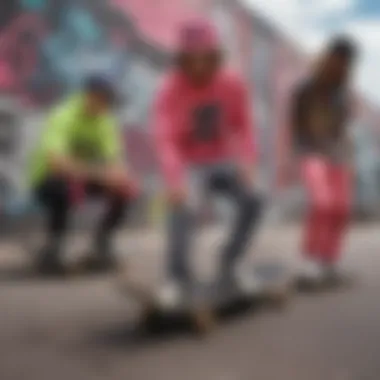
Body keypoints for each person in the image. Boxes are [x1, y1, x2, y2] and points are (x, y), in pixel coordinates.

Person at [153, 18, 262, 304]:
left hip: (222, 160)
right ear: (182, 59)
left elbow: (244, 127)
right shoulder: (170, 89)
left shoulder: (232, 84)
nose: (199, 67)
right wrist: (176, 181)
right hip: (189, 165)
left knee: (254, 198)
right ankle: (177, 278)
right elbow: (167, 140)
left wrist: (248, 161)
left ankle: (231, 262)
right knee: (182, 206)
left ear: (216, 57)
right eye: (192, 59)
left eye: (206, 59)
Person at [30, 75, 136, 275]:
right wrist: (100, 174)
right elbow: (56, 163)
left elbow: (115, 163)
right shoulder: (64, 115)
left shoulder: (105, 121)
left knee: (125, 188)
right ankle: (54, 249)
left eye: (110, 101)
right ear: (90, 96)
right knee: (60, 189)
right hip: (48, 179)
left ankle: (102, 245)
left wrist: (119, 177)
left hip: (84, 178)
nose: (107, 105)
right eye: (104, 99)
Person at [290, 37, 358, 282]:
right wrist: (297, 152)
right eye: (337, 60)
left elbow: (344, 128)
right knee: (322, 204)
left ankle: (329, 261)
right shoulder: (307, 88)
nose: (340, 66)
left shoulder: (342, 93)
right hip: (312, 152)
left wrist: (349, 157)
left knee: (341, 209)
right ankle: (310, 260)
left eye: (345, 63)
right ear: (328, 58)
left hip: (337, 155)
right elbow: (296, 123)